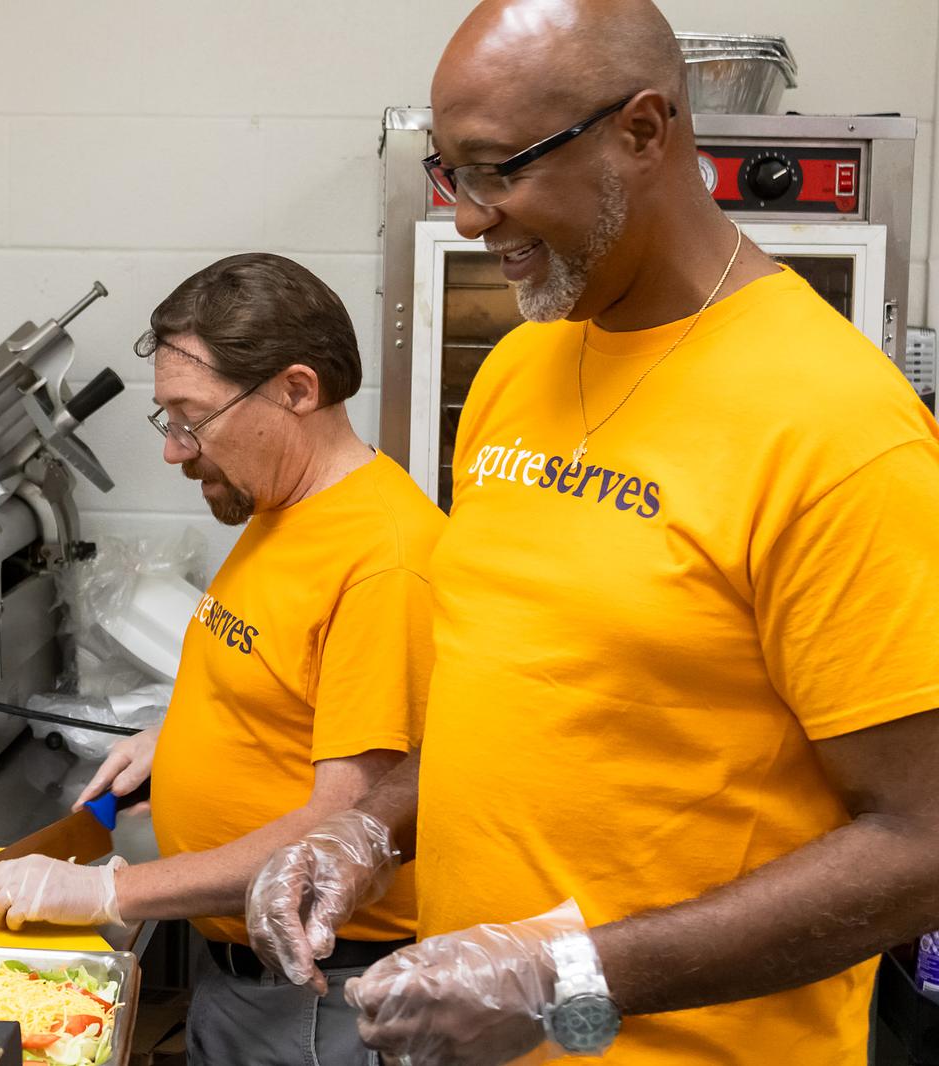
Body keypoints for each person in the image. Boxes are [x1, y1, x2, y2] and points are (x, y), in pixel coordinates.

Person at [244, 2, 939, 1063]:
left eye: (497, 170)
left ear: (645, 131)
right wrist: (372, 824)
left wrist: (561, 975)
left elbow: (921, 844)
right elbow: (519, 692)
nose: (471, 218)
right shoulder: (519, 368)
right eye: (450, 174)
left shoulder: (838, 428)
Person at [0, 252, 447, 1064]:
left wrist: (106, 889)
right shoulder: (282, 505)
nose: (174, 450)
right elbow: (282, 684)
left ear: (296, 390)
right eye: (170, 420)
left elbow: (344, 824)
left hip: (320, 1001)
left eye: (192, 419)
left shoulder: (385, 559)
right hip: (244, 977)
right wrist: (177, 741)